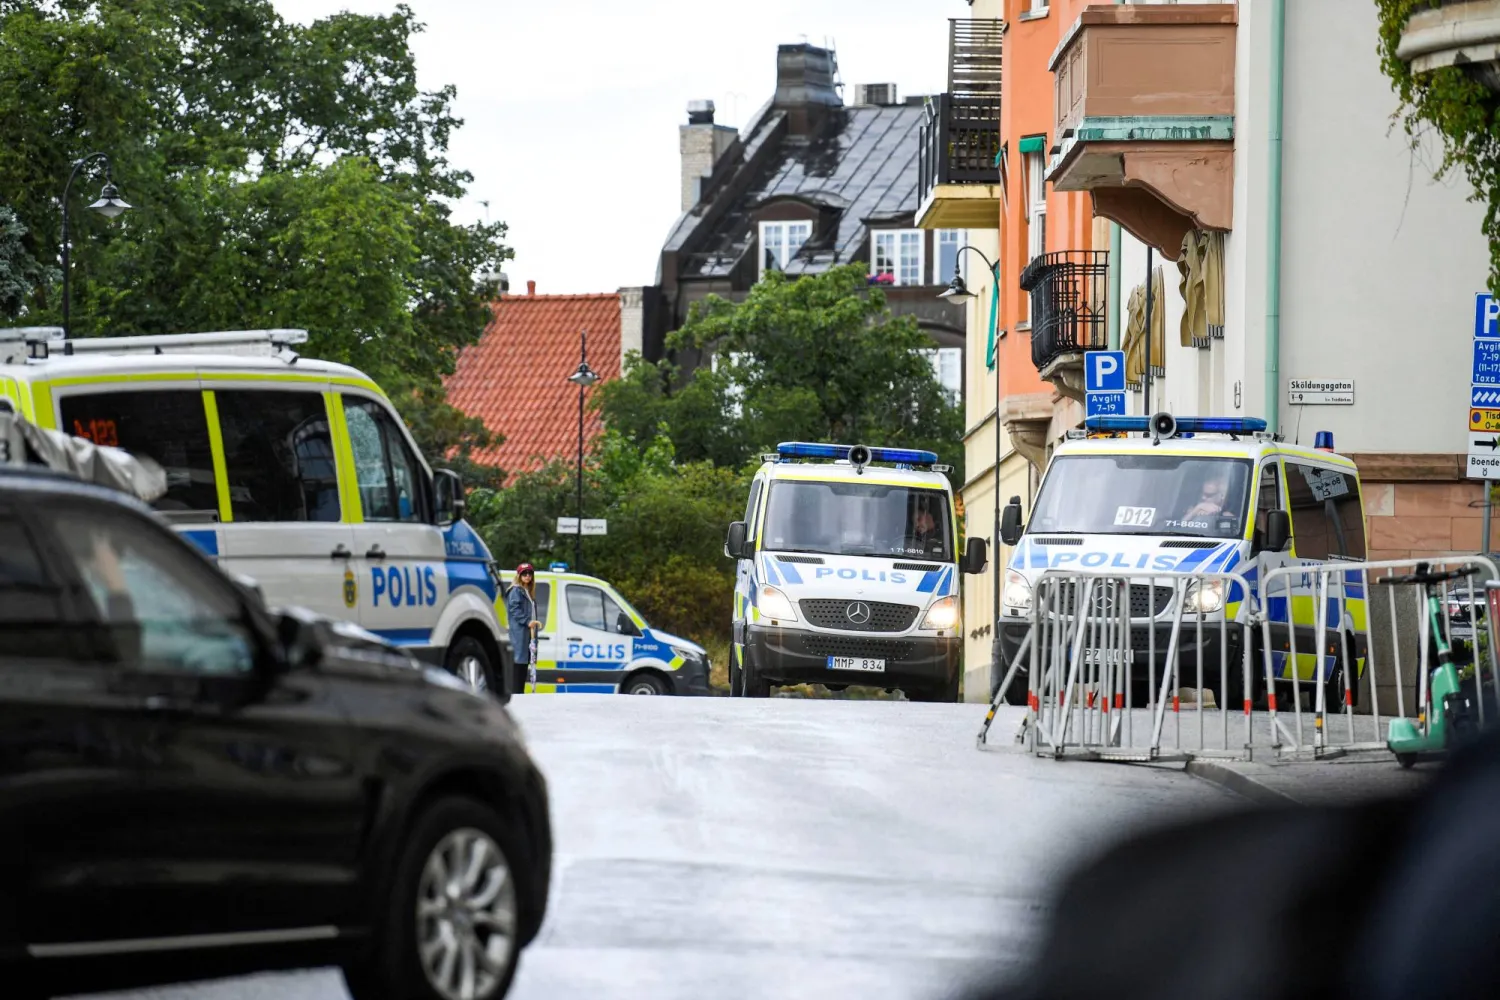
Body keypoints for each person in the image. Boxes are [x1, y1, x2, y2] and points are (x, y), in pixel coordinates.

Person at [506, 563, 542, 690]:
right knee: (518, 671)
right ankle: (516, 700)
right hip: (519, 637)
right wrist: (527, 621)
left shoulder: (527, 592)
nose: (527, 576)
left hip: (527, 637)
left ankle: (519, 698)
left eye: (530, 574)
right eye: (524, 574)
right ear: (519, 575)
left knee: (523, 671)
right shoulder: (516, 590)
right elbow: (514, 609)